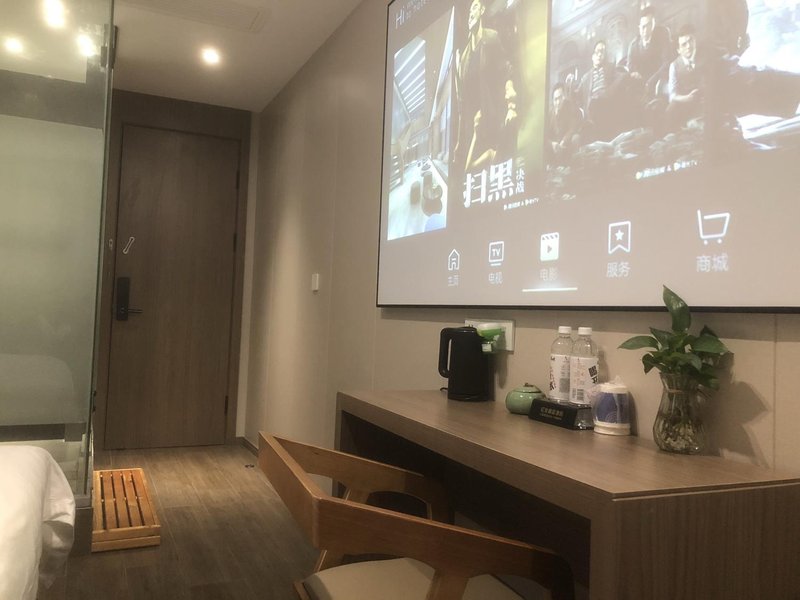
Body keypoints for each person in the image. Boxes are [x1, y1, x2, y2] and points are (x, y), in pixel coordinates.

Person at [454, 0, 517, 173]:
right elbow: (462, 102)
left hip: (492, 118)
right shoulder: (465, 57)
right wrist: (460, 139)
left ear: (482, 10)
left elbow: (506, 71)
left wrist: (511, 104)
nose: (470, 14)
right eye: (469, 11)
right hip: (474, 126)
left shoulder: (491, 38)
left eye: (474, 7)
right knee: (471, 173)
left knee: (496, 170)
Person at [575, 40, 623, 141]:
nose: (599, 54)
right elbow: (577, 95)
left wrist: (630, 75)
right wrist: (569, 86)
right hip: (592, 108)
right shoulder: (586, 77)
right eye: (597, 52)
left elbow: (621, 77)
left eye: (602, 52)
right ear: (592, 56)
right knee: (594, 104)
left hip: (607, 103)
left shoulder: (610, 68)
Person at [626, 6, 672, 98]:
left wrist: (652, 81)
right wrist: (634, 72)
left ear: (653, 25)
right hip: (641, 81)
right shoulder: (634, 45)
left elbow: (666, 62)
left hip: (660, 78)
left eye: (649, 25)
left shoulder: (662, 36)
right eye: (643, 26)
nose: (646, 30)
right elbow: (630, 64)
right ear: (639, 27)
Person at [667, 24, 703, 130]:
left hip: (704, 101)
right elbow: (672, 95)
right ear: (678, 50)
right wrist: (687, 98)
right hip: (685, 103)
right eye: (684, 44)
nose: (688, 46)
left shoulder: (705, 58)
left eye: (690, 40)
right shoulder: (674, 66)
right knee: (671, 110)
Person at [546, 83, 583, 165]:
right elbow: (545, 134)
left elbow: (573, 128)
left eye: (560, 98)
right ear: (552, 100)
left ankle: (576, 166)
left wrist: (563, 142)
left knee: (576, 138)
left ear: (564, 97)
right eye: (555, 99)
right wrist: (552, 144)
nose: (558, 102)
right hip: (554, 146)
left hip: (566, 143)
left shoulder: (570, 108)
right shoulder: (550, 112)